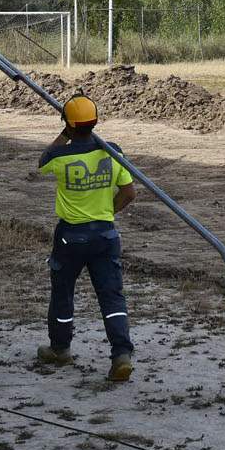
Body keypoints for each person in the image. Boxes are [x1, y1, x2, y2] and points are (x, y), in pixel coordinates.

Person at [34, 94, 137, 381]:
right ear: (95, 121)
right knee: (111, 296)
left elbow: (41, 162)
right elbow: (129, 194)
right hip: (105, 234)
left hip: (71, 236)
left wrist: (64, 134)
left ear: (68, 123)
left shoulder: (60, 156)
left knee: (63, 293)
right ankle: (121, 355)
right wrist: (106, 212)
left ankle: (60, 348)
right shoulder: (113, 152)